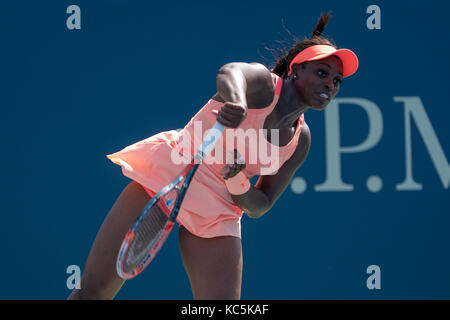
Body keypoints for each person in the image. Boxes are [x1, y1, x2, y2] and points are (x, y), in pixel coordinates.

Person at [68, 12, 358, 300]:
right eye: (322, 73)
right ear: (296, 71)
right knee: (92, 294)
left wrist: (236, 182)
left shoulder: (301, 140)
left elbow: (261, 204)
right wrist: (239, 101)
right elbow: (229, 73)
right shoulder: (262, 83)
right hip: (168, 174)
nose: (330, 84)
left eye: (337, 81)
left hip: (218, 211)